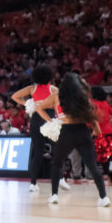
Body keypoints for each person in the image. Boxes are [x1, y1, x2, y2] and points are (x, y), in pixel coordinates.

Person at [40, 72, 111, 206]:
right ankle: (104, 197)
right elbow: (93, 120)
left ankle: (54, 195)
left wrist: (50, 121)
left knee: (56, 163)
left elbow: (39, 107)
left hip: (67, 132)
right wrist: (99, 136)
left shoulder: (57, 96)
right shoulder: (83, 98)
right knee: (93, 166)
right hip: (83, 131)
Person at [12, 65, 69, 194]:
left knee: (37, 152)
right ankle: (60, 178)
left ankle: (33, 183)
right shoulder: (53, 89)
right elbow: (60, 104)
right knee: (58, 151)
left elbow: (14, 96)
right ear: (49, 77)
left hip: (36, 120)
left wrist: (29, 104)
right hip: (50, 119)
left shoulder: (32, 89)